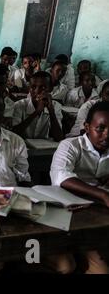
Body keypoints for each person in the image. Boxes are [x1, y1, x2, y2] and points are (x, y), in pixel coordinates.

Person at [50, 101, 109, 274]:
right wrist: (102, 194)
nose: (107, 135)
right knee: (67, 266)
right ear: (87, 127)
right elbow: (61, 177)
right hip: (64, 216)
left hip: (94, 217)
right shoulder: (70, 145)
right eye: (100, 128)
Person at [12, 71, 64, 142]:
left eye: (43, 87)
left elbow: (59, 138)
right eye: (33, 87)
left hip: (44, 150)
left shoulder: (56, 106)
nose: (37, 91)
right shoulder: (19, 105)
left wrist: (51, 111)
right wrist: (37, 112)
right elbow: (13, 134)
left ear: (50, 88)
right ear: (29, 88)